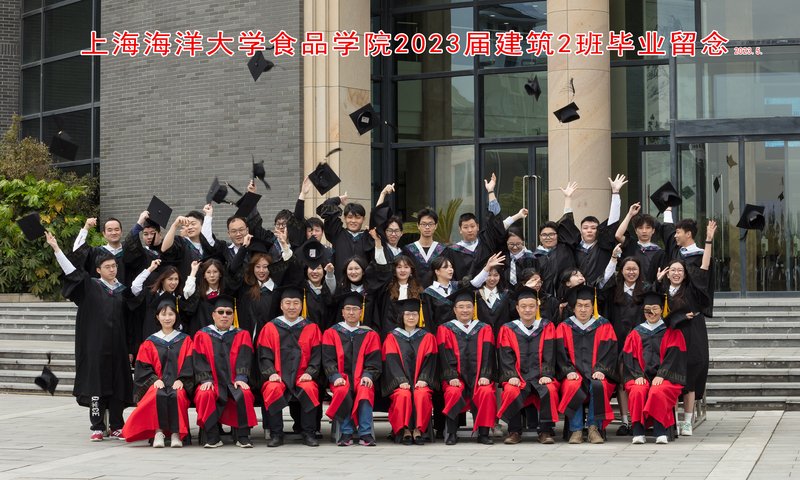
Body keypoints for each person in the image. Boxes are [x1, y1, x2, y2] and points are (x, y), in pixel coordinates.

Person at [46, 231, 133, 442]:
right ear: (98, 270)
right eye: (107, 267)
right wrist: (56, 249)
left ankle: (117, 426)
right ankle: (97, 426)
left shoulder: (122, 291)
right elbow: (71, 270)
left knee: (118, 386)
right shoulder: (90, 286)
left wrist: (130, 348)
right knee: (96, 386)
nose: (112, 270)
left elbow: (130, 323)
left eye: (114, 266)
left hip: (118, 347)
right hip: (95, 347)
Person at [655, 220, 716, 436]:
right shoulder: (662, 290)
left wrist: (708, 240)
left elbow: (704, 268)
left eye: (680, 270)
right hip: (669, 336)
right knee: (670, 376)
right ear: (667, 272)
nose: (676, 273)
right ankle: (670, 419)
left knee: (689, 376)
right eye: (673, 270)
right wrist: (657, 282)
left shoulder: (691, 288)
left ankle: (687, 422)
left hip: (690, 333)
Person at [122, 295, 194, 447]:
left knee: (177, 394)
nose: (167, 318)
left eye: (171, 314)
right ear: (157, 317)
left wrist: (182, 379)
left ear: (176, 317)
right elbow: (143, 367)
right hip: (157, 382)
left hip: (178, 382)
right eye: (163, 314)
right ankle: (158, 433)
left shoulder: (186, 340)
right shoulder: (150, 342)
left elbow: (190, 364)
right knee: (157, 394)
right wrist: (154, 380)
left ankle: (176, 434)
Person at [257, 286, 322, 447]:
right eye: (287, 303)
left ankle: (308, 433)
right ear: (281, 305)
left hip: (302, 376)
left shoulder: (311, 328)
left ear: (301, 305)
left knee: (310, 388)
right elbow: (264, 355)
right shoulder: (270, 328)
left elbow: (317, 355)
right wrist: (271, 373)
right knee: (272, 388)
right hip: (278, 376)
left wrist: (310, 372)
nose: (291, 307)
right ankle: (276, 434)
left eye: (295, 303)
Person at [496, 287, 559, 445]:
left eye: (531, 306)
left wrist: (547, 374)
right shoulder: (507, 329)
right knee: (511, 390)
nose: (527, 310)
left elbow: (550, 353)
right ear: (517, 308)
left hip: (540, 375)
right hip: (518, 376)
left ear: (537, 308)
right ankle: (514, 431)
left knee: (549, 389)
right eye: (523, 306)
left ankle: (545, 431)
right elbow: (505, 356)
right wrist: (511, 376)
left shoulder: (547, 326)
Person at [192, 294, 257, 448]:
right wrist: (206, 379)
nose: (224, 315)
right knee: (204, 393)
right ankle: (213, 436)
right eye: (220, 312)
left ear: (233, 315)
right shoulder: (202, 335)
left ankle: (243, 436)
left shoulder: (242, 334)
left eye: (228, 312)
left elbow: (245, 358)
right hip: (212, 381)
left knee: (244, 393)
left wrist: (241, 377)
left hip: (234, 380)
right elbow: (198, 359)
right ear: (213, 315)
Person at [623, 292, 687, 445]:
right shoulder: (636, 332)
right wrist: (638, 375)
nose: (651, 312)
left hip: (666, 376)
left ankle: (660, 431)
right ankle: (638, 432)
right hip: (641, 375)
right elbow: (630, 357)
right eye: (647, 309)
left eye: (655, 308)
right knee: (638, 390)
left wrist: (662, 374)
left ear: (662, 309)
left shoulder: (671, 331)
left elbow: (674, 356)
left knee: (658, 390)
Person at [556, 285, 618, 445]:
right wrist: (568, 370)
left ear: (593, 307)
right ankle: (576, 430)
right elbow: (559, 353)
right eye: (579, 306)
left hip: (596, 372)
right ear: (573, 308)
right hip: (573, 373)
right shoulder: (564, 327)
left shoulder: (604, 326)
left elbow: (610, 352)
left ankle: (593, 428)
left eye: (587, 306)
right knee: (572, 385)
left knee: (599, 385)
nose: (583, 309)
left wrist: (601, 370)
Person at [600, 255, 653, 436]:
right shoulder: (614, 290)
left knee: (640, 380)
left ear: (639, 270)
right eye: (628, 269)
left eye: (634, 269)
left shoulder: (646, 290)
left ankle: (639, 419)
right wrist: (613, 259)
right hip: (619, 342)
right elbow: (601, 286)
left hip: (642, 342)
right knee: (622, 381)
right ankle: (625, 422)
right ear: (621, 271)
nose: (631, 272)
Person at [322, 291, 383, 446]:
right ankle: (346, 432)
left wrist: (369, 375)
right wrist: (335, 376)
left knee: (365, 390)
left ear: (361, 312)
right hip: (341, 378)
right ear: (342, 312)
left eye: (355, 309)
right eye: (348, 309)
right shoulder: (331, 333)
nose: (351, 312)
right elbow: (328, 360)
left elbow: (374, 360)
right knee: (342, 390)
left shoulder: (370, 334)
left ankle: (365, 433)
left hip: (361, 378)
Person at [437, 288, 497, 445]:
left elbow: (488, 354)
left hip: (479, 376)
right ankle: (451, 433)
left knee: (486, 391)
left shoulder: (484, 328)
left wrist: (485, 375)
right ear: (454, 310)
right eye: (461, 307)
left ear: (474, 308)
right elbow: (444, 355)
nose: (465, 310)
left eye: (469, 306)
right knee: (453, 391)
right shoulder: (445, 329)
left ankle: (483, 433)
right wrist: (451, 376)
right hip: (456, 377)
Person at [445, 174, 526, 281]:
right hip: (465, 291)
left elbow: (495, 223)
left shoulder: (486, 242)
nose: (470, 230)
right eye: (465, 227)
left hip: (489, 289)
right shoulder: (452, 252)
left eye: (472, 226)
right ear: (460, 230)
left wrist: (490, 192)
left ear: (478, 227)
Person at [381, 298, 438, 445]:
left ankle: (418, 430)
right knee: (403, 395)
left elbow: (431, 361)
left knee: (422, 394)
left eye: (414, 314)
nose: (411, 317)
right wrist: (400, 380)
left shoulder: (427, 337)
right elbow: (391, 361)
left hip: (420, 382)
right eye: (407, 314)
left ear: (419, 317)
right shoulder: (392, 337)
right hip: (401, 383)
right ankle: (405, 430)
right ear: (402, 316)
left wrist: (424, 379)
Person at [560, 176, 626, 286]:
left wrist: (615, 193)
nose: (589, 231)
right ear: (581, 231)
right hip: (578, 291)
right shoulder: (575, 247)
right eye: (585, 228)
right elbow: (567, 225)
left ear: (598, 230)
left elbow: (612, 222)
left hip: (601, 290)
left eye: (593, 228)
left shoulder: (603, 245)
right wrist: (568, 198)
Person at [318, 191, 375, 282]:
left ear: (364, 219)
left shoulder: (368, 237)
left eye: (357, 217)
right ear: (344, 218)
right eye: (350, 217)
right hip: (341, 285)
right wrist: (338, 199)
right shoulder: (337, 233)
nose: (353, 221)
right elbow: (328, 205)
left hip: (363, 286)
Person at [533, 184, 579, 295]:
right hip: (544, 299)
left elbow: (568, 224)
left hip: (566, 296)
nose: (548, 237)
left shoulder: (565, 248)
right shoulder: (535, 257)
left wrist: (568, 199)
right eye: (544, 235)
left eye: (552, 234)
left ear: (558, 235)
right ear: (540, 238)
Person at [130, 260, 185, 343]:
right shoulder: (150, 296)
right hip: (152, 341)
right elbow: (135, 286)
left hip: (173, 343)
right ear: (162, 280)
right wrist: (150, 269)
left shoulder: (178, 298)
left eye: (176, 279)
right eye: (170, 279)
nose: (174, 282)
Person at [614, 203, 668, 284]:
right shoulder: (631, 245)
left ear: (653, 230)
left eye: (648, 227)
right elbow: (618, 235)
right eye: (640, 228)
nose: (644, 231)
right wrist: (630, 214)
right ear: (636, 230)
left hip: (650, 289)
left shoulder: (660, 253)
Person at [374, 255, 424, 339]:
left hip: (412, 333)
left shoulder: (419, 291)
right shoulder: (386, 289)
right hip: (389, 331)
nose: (402, 270)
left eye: (406, 267)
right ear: (394, 270)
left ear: (411, 270)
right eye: (399, 267)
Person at [160, 207, 215, 280]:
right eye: (186, 225)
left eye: (193, 224)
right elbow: (165, 249)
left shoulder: (211, 244)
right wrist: (175, 225)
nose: (189, 227)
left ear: (202, 225)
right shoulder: (181, 242)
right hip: (187, 285)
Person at [72, 217, 128, 284]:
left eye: (116, 229)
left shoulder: (129, 253)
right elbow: (77, 251)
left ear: (121, 232)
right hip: (99, 290)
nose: (113, 233)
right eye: (109, 230)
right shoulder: (95, 252)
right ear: (104, 234)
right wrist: (86, 228)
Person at [402, 208, 447, 284]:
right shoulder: (409, 250)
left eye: (430, 224)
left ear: (436, 226)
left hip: (437, 291)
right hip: (413, 290)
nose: (427, 227)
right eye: (423, 224)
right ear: (418, 226)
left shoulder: (443, 250)